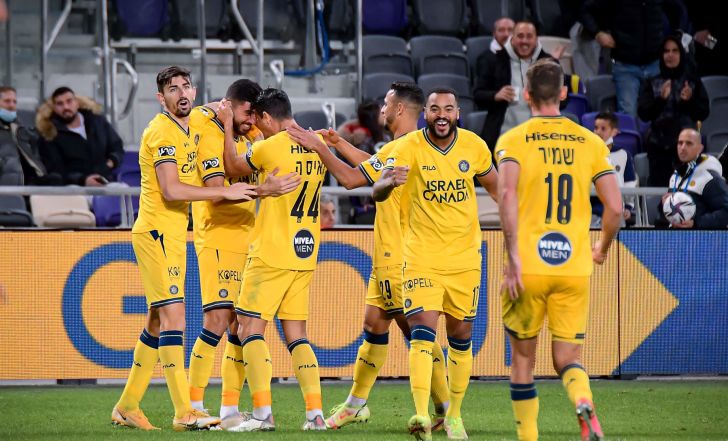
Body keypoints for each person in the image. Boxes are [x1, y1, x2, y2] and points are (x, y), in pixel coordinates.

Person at [287, 81, 451, 432]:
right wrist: (338, 143)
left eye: (387, 104)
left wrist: (319, 148)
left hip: (400, 257)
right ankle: (355, 405)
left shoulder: (405, 148)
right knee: (375, 326)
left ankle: (448, 410)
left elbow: (350, 180)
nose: (382, 110)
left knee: (418, 334)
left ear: (400, 109)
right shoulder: (405, 146)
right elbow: (372, 167)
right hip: (390, 256)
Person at [111, 66, 257, 431]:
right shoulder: (161, 131)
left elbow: (217, 106)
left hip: (174, 234)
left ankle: (127, 406)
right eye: (173, 89)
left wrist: (226, 110)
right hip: (157, 233)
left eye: (186, 86)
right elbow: (171, 190)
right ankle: (184, 411)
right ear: (161, 98)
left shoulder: (192, 121)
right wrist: (223, 191)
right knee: (175, 319)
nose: (181, 93)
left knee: (157, 322)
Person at [495, 59, 622, 441]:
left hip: (528, 267)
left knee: (523, 359)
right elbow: (615, 208)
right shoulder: (590, 142)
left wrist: (513, 258)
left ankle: (528, 436)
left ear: (527, 94)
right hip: (573, 267)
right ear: (564, 93)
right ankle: (582, 400)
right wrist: (601, 247)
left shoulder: (513, 140)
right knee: (568, 359)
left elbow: (506, 194)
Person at [372, 88, 498, 441]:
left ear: (458, 113)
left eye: (448, 109)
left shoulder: (474, 146)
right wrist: (387, 183)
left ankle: (454, 416)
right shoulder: (407, 147)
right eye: (434, 109)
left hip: (464, 260)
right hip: (421, 258)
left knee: (460, 337)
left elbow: (499, 188)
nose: (441, 114)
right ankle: (421, 415)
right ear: (425, 113)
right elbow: (376, 191)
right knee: (421, 335)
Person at [186, 79, 301, 430]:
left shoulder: (249, 136)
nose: (251, 120)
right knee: (217, 320)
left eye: (255, 114)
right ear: (229, 105)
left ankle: (228, 410)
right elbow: (217, 192)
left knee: (240, 325)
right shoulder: (209, 130)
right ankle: (193, 406)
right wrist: (264, 190)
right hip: (218, 235)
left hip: (248, 237)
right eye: (247, 112)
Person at [221, 88, 327, 432]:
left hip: (271, 251)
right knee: (297, 335)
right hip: (305, 251)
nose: (256, 125)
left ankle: (262, 414)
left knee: (249, 328)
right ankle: (315, 415)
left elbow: (232, 167)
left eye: (258, 119)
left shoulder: (272, 146)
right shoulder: (315, 146)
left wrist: (227, 124)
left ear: (267, 117)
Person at [638, 35, 709, 186]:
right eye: (666, 51)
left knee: (688, 192)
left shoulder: (693, 81)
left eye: (675, 50)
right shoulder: (651, 81)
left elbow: (703, 113)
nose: (670, 55)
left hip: (687, 147)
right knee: (660, 193)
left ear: (681, 54)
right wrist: (660, 100)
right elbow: (643, 114)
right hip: (659, 149)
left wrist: (689, 101)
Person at [473, 21, 557, 150]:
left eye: (529, 36)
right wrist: (495, 95)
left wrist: (545, 99)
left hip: (541, 137)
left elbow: (565, 98)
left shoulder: (550, 64)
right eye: (520, 36)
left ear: (536, 39)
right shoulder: (494, 60)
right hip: (502, 137)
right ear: (512, 38)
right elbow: (478, 94)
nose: (524, 41)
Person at [579, 0, 666, 116]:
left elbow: (678, 9)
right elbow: (585, 9)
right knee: (628, 115)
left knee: (664, 113)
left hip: (656, 63)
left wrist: (678, 33)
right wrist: (597, 33)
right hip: (625, 65)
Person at [36, 87, 124, 186]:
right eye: (60, 104)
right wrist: (83, 180)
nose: (66, 107)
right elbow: (56, 170)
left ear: (77, 103)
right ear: (54, 108)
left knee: (125, 191)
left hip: (105, 181)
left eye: (69, 101)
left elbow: (116, 146)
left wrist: (110, 163)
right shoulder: (49, 134)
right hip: (73, 187)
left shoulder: (97, 122)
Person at [659, 128, 728, 229]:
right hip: (675, 235)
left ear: (700, 148)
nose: (683, 147)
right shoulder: (676, 176)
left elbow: (725, 212)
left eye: (689, 143)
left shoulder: (709, 178)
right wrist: (666, 205)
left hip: (701, 237)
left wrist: (695, 223)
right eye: (680, 143)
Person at [0, 86, 57, 185]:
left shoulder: (22, 129)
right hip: (8, 186)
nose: (12, 105)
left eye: (14, 102)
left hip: (32, 183)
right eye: (7, 101)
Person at [591, 112, 637, 226]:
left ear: (614, 132)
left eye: (603, 128)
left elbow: (629, 183)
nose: (598, 132)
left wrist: (628, 206)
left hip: (616, 212)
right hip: (591, 212)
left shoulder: (623, 154)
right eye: (596, 128)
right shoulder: (586, 154)